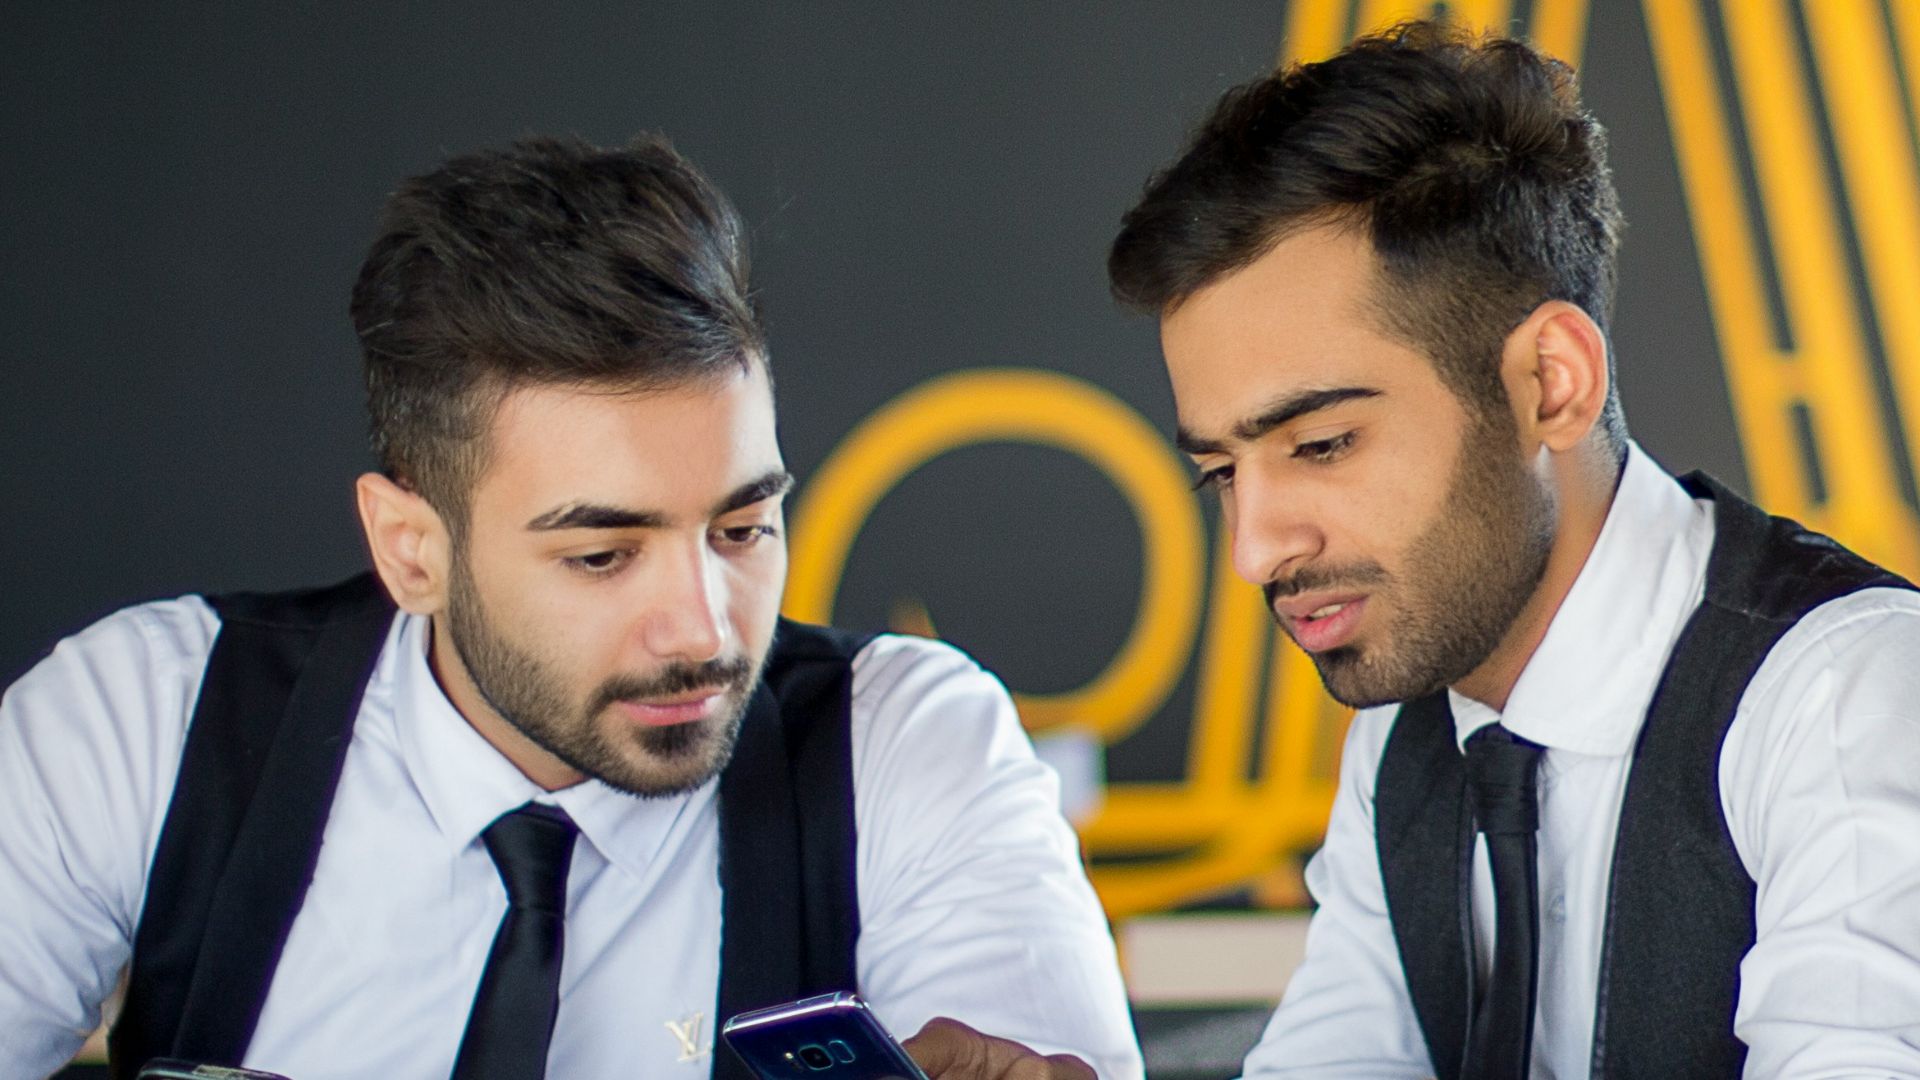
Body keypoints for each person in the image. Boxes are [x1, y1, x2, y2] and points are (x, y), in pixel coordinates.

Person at [0, 135, 1137, 1080]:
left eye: (742, 530)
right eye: (602, 554)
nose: (702, 629)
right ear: (412, 552)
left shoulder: (903, 738)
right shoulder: (142, 723)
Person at [942, 16, 1920, 1080]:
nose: (1256, 550)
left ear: (1551, 382)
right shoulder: (1411, 729)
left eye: (1321, 444)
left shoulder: (1845, 698)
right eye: (1223, 473)